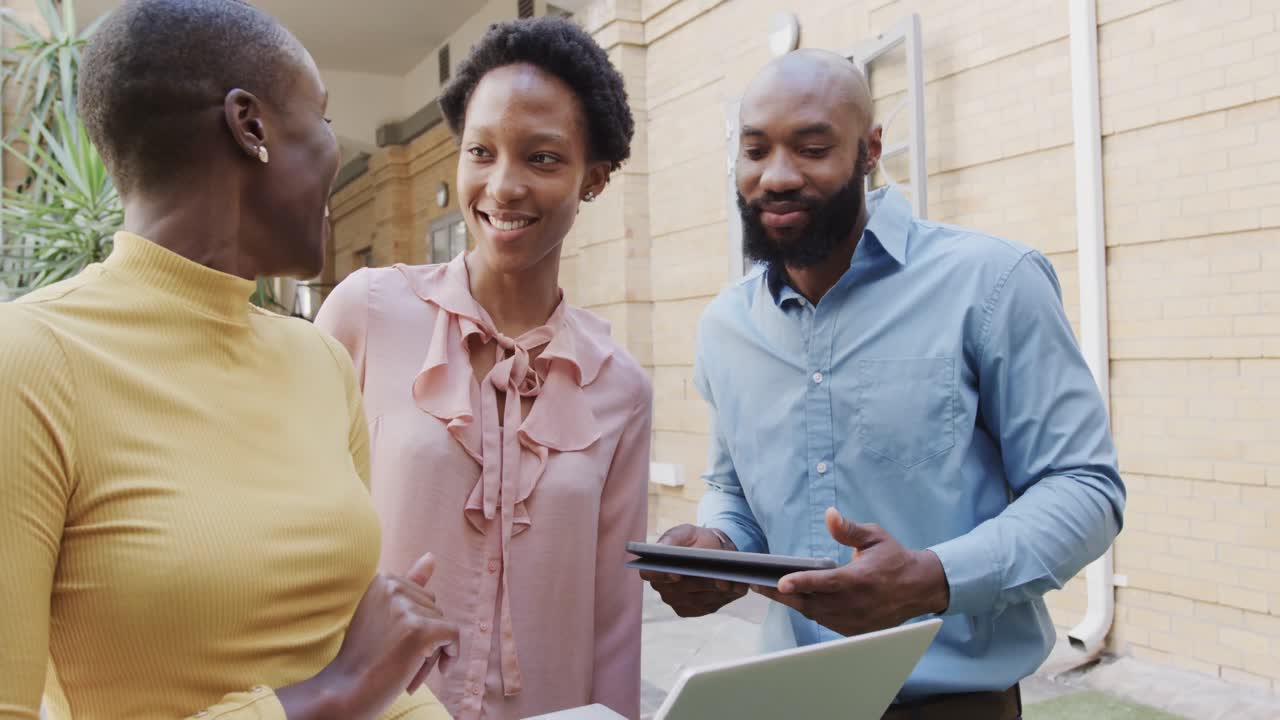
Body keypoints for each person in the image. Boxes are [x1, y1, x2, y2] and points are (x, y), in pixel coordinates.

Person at [0, 2, 458, 718]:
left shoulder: (319, 361)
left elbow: (333, 642)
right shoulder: (29, 361)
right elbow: (340, 682)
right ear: (251, 127)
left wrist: (387, 643)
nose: (335, 153)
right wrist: (331, 694)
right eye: (323, 118)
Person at [642, 49, 1126, 720]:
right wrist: (719, 549)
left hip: (957, 708)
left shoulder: (993, 283)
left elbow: (1084, 487)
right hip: (788, 703)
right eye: (755, 151)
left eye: (812, 149)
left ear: (869, 151)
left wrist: (932, 579)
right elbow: (733, 490)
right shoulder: (727, 327)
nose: (776, 176)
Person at [314, 16, 650, 720]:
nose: (503, 186)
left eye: (543, 158)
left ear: (594, 178)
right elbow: (296, 535)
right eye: (481, 151)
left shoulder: (620, 387)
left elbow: (614, 620)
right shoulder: (365, 313)